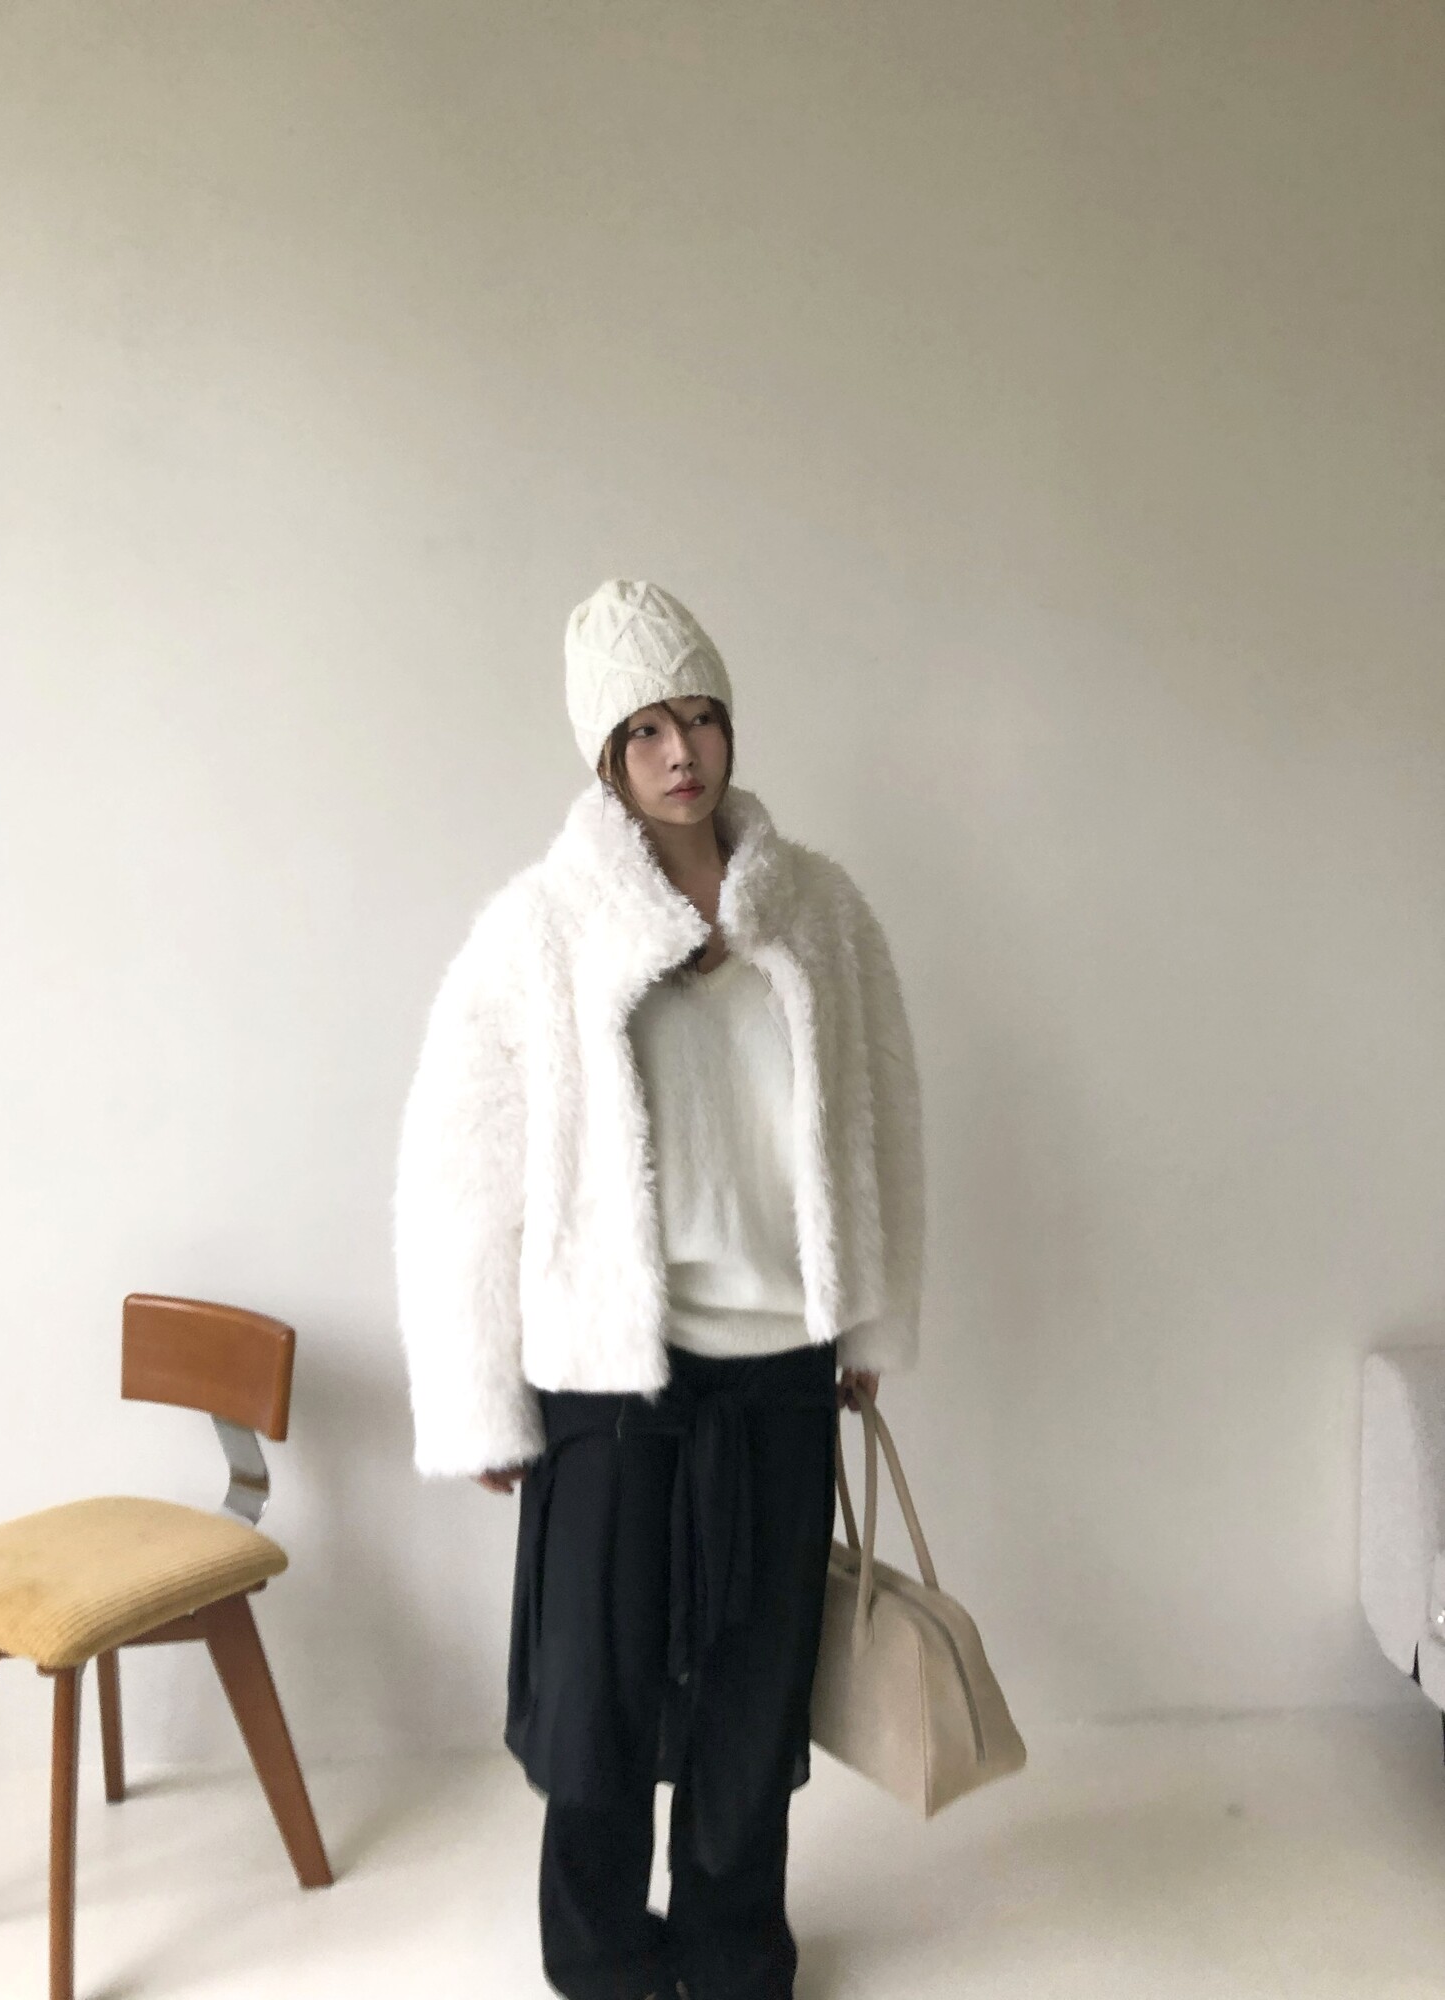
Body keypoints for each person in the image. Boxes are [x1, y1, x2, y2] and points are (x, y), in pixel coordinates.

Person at [393, 578, 926, 2000]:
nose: (680, 751)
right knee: (599, 1698)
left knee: (753, 1691)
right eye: (643, 729)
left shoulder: (820, 913)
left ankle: (735, 1953)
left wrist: (867, 1315)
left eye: (699, 715)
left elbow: (880, 1117)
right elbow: (463, 1176)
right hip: (610, 1371)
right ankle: (603, 1962)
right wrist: (483, 1398)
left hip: (780, 1361)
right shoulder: (539, 930)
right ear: (605, 754)